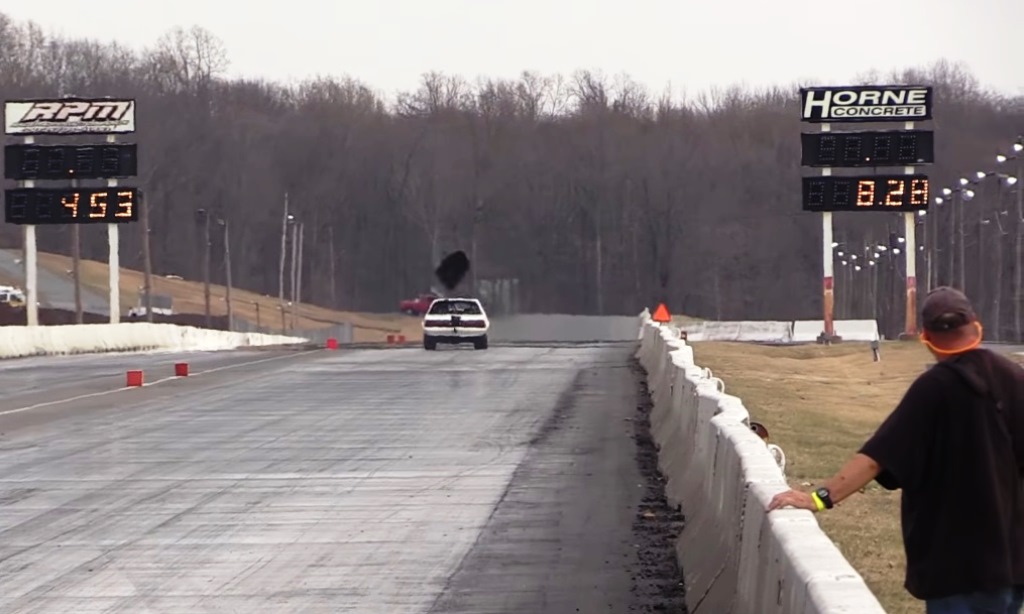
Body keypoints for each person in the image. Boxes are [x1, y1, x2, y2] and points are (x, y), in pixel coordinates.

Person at [767, 286, 1024, 613]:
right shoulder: (1013, 377)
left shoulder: (933, 388)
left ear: (926, 336)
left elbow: (877, 458)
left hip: (958, 570)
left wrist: (818, 498)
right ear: (975, 326)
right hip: (1011, 566)